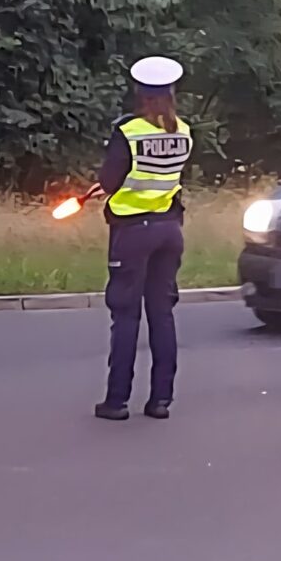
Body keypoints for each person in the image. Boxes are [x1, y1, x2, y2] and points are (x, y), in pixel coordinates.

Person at [94, 56, 193, 422]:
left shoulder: (128, 131)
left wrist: (107, 179)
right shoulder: (182, 131)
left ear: (139, 93)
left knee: (125, 314)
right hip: (170, 230)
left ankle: (117, 401)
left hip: (133, 232)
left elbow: (109, 182)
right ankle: (161, 400)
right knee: (162, 313)